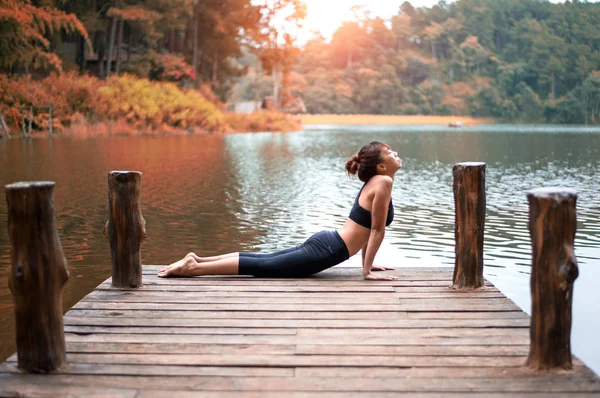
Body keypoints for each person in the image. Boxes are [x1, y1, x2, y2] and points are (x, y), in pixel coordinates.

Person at [158, 141, 402, 281]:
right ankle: (194, 268)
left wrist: (369, 265)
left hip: (328, 243)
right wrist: (367, 272)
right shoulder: (384, 182)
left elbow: (371, 229)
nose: (396, 153)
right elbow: (377, 230)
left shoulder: (377, 182)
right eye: (390, 152)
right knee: (264, 267)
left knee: (265, 260)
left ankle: (198, 259)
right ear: (381, 166)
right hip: (328, 250)